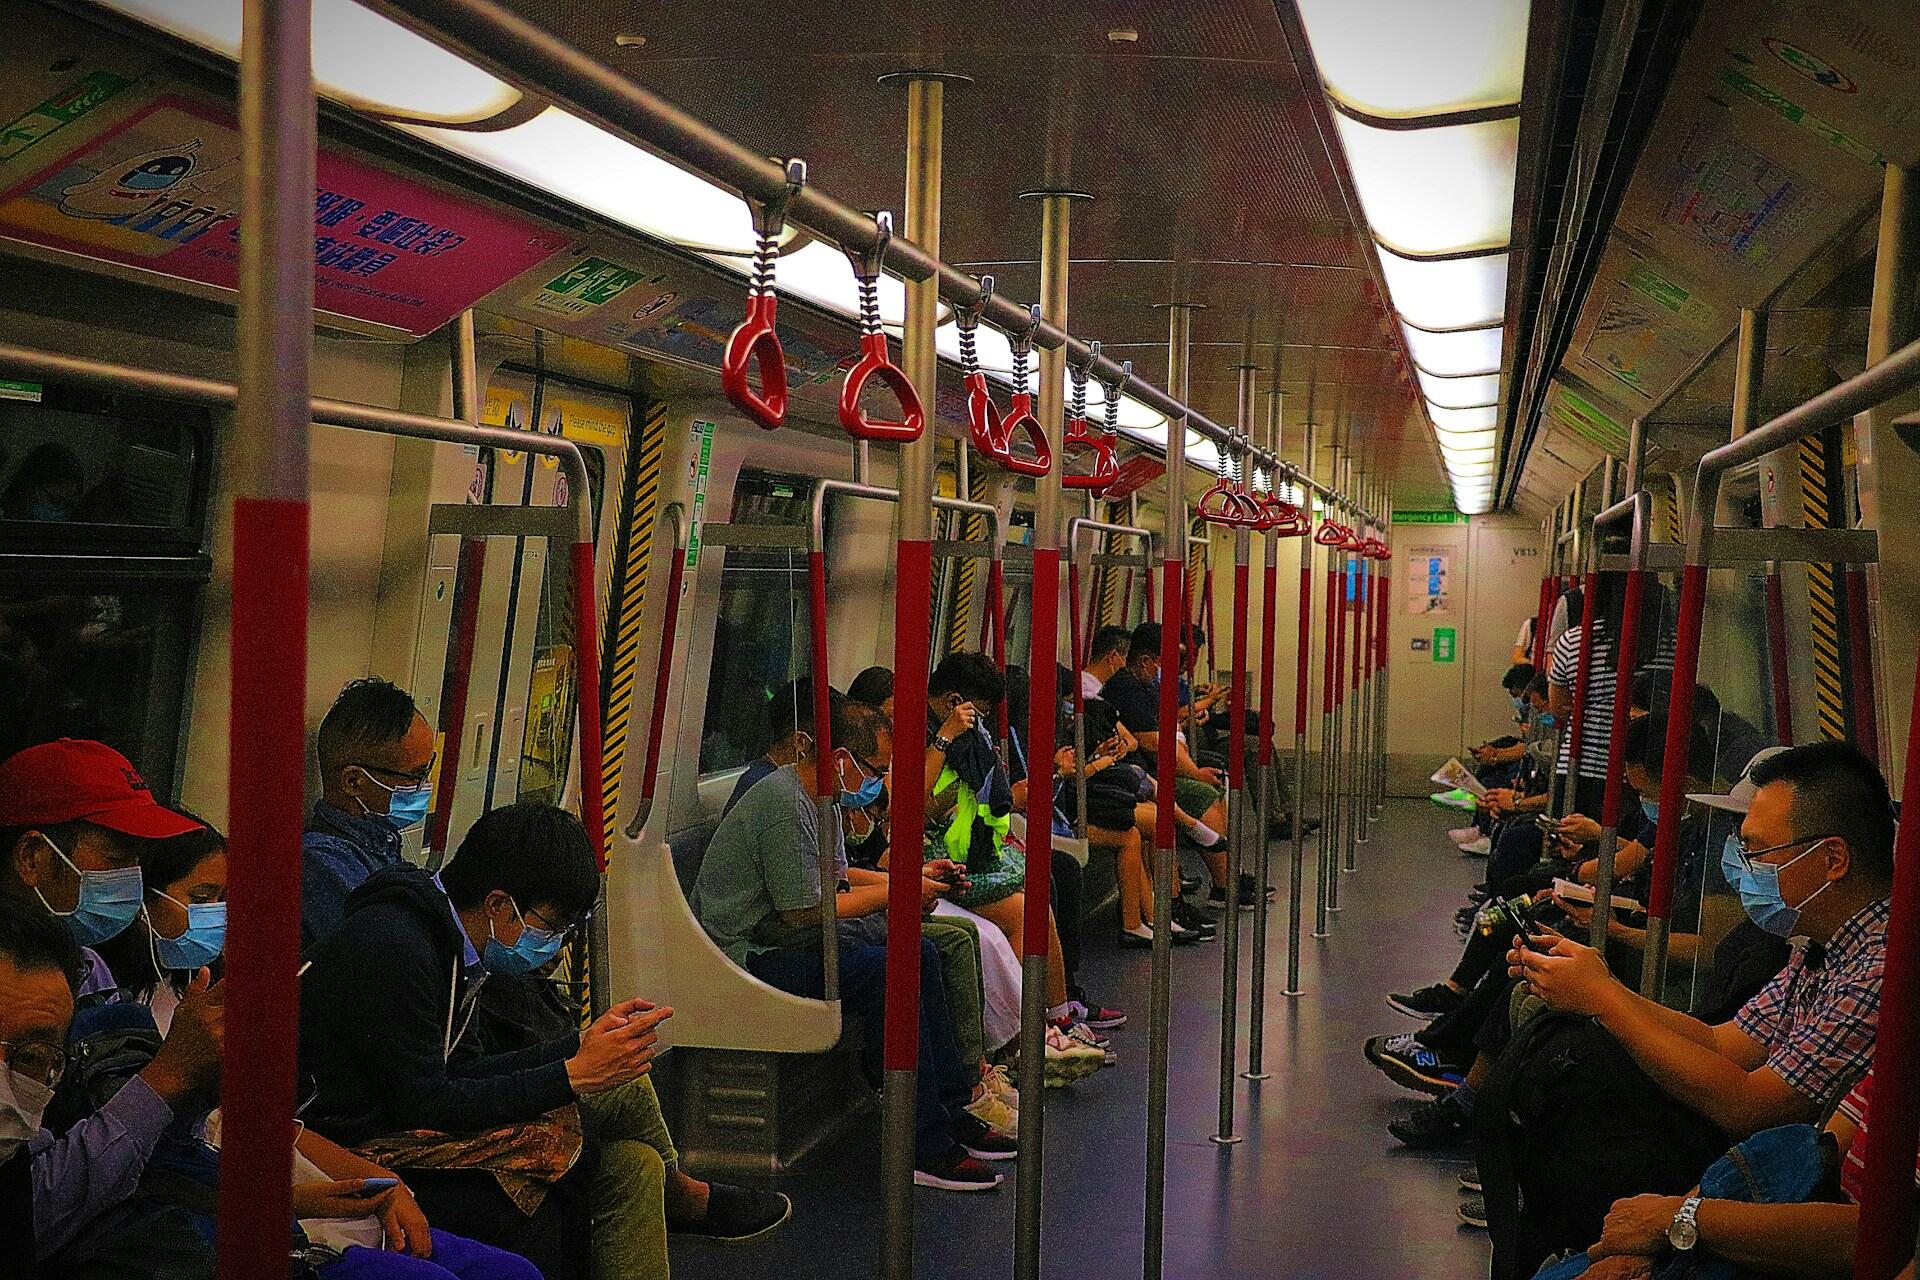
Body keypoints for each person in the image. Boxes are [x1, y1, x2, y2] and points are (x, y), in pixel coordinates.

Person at [300, 802, 755, 1280]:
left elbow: (463, 1067)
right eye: (551, 926)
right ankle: (680, 1195)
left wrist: (578, 1045)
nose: (556, 943)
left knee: (634, 1163)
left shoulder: (455, 948)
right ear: (499, 904)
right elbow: (423, 1102)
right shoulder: (396, 945)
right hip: (349, 1144)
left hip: (402, 1122)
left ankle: (673, 1188)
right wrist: (572, 1075)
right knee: (605, 1112)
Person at [1498, 741, 1894, 1256]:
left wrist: (1604, 1000)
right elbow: (1724, 1041)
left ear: (1832, 859)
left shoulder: (1880, 967)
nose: (1747, 868)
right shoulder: (1821, 947)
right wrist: (1598, 984)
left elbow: (1751, 1105)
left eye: (1759, 853)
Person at [690, 693, 1018, 1190]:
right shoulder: (784, 804)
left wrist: (913, 878)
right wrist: (901, 893)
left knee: (923, 953)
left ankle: (952, 1109)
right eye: (875, 770)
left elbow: (839, 880)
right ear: (842, 759)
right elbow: (803, 909)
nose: (877, 782)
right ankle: (923, 1145)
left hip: (784, 939)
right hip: (748, 955)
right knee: (892, 969)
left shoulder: (821, 799)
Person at [0, 739, 221, 1274]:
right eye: (118, 860)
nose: (134, 881)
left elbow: (144, 1155)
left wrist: (198, 1083)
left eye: (138, 863)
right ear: (33, 858)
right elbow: (24, 1213)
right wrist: (166, 1078)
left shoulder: (90, 967)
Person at [1098, 622, 1261, 910]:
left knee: (1208, 789)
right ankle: (1219, 886)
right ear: (1145, 661)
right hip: (1138, 774)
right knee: (1201, 794)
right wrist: (1196, 773)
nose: (1163, 670)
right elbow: (1155, 743)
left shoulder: (1143, 686)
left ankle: (1227, 875)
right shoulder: (1127, 688)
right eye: (1161, 663)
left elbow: (1164, 729)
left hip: (1148, 769)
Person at [304, 678, 437, 950]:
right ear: (354, 782)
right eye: (415, 775)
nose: (424, 786)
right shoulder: (322, 866)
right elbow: (397, 952)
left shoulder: (380, 845)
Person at [1079, 625, 1130, 700]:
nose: (1126, 666)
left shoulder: (1073, 683)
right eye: (1126, 659)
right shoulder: (1095, 697)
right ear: (1113, 656)